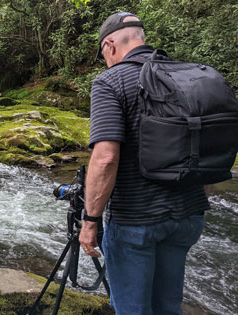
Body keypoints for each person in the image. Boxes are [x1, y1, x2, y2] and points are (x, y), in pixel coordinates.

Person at [78, 12, 209, 315]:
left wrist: (91, 220)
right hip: (188, 214)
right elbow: (209, 143)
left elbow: (106, 157)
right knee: (167, 307)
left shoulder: (111, 81)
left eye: (102, 54)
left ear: (109, 45)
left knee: (133, 310)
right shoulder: (188, 75)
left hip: (136, 218)